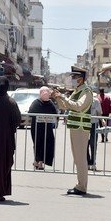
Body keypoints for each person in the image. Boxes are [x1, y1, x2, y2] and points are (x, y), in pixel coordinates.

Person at [52, 66, 93, 196]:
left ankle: (82, 187)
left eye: (75, 77)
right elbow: (65, 107)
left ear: (81, 79)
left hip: (81, 128)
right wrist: (58, 98)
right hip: (76, 128)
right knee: (78, 158)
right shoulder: (77, 91)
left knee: (80, 158)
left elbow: (79, 107)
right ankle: (80, 185)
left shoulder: (86, 92)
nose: (73, 79)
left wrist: (63, 97)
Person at [28, 86, 58, 170]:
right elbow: (56, 114)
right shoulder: (38, 103)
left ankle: (39, 162)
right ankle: (38, 162)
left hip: (42, 128)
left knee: (40, 144)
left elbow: (30, 113)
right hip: (41, 128)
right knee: (41, 144)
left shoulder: (39, 102)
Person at [88, 94, 103, 171]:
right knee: (84, 143)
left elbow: (99, 112)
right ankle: (87, 162)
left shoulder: (96, 101)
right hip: (84, 123)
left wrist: (102, 120)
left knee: (93, 143)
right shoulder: (82, 100)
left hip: (94, 123)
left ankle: (93, 162)